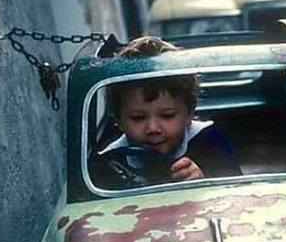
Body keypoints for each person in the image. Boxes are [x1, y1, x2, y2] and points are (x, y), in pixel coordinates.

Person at [96, 36, 241, 186]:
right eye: (137, 117)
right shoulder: (111, 160)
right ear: (118, 120)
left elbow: (236, 192)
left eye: (167, 115)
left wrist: (203, 180)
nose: (153, 128)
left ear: (190, 113)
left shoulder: (209, 141)